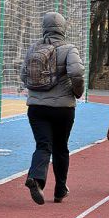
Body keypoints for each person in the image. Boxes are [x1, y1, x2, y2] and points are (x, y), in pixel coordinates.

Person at [20, 12, 84, 205]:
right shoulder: (69, 49)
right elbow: (77, 72)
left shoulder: (33, 48)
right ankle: (60, 190)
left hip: (37, 108)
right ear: (63, 28)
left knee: (43, 145)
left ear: (44, 27)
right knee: (61, 148)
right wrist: (77, 92)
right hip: (63, 108)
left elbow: (24, 75)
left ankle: (37, 180)